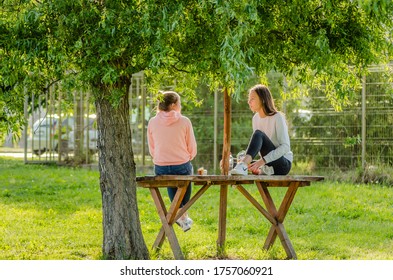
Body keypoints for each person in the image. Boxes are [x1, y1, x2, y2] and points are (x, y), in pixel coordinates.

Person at [147, 91, 197, 232]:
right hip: (182, 165)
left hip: (160, 167)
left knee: (170, 178)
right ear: (174, 105)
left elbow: (152, 148)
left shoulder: (152, 122)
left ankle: (182, 218)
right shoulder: (184, 121)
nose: (180, 106)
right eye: (179, 103)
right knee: (184, 181)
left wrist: (161, 158)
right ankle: (183, 216)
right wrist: (188, 157)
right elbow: (192, 147)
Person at [230, 84, 293, 176]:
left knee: (258, 134)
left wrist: (262, 161)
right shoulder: (255, 118)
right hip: (268, 163)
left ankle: (243, 165)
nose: (248, 101)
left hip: (283, 164)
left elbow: (285, 147)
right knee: (236, 163)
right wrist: (256, 164)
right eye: (249, 99)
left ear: (262, 100)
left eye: (252, 98)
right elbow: (259, 146)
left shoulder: (277, 117)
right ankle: (243, 165)